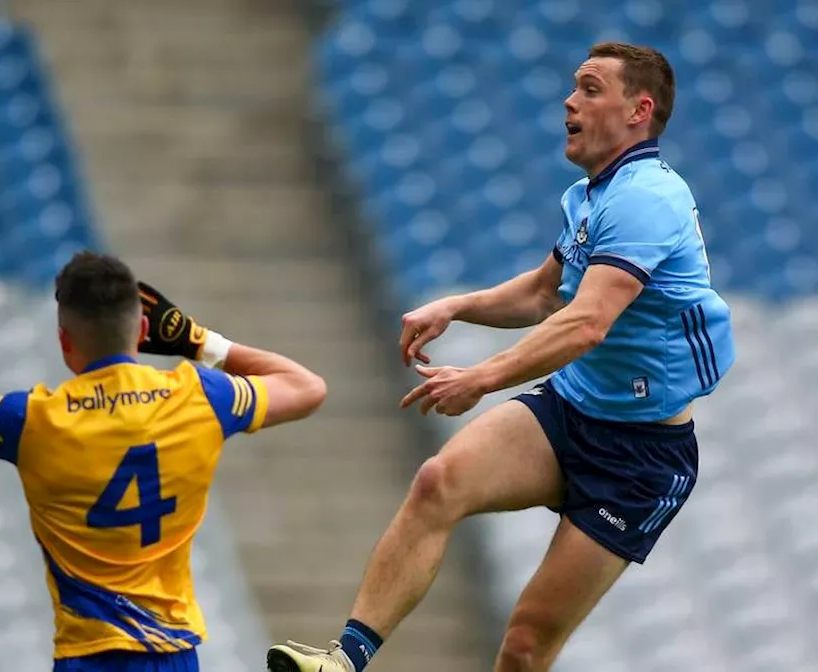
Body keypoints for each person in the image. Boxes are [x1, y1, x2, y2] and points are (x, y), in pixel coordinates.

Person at [267, 42, 735, 672]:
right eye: (574, 87)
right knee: (438, 482)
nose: (570, 101)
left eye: (591, 89)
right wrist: (457, 306)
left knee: (524, 647)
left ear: (638, 110)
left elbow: (588, 322)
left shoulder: (648, 197)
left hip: (640, 460)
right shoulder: (589, 197)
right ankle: (344, 660)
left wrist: (482, 377)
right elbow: (546, 292)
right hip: (573, 410)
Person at [0, 216, 328, 672]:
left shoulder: (34, 420)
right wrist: (198, 342)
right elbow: (307, 388)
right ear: (144, 332)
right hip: (173, 655)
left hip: (87, 657)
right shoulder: (200, 396)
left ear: (64, 342)